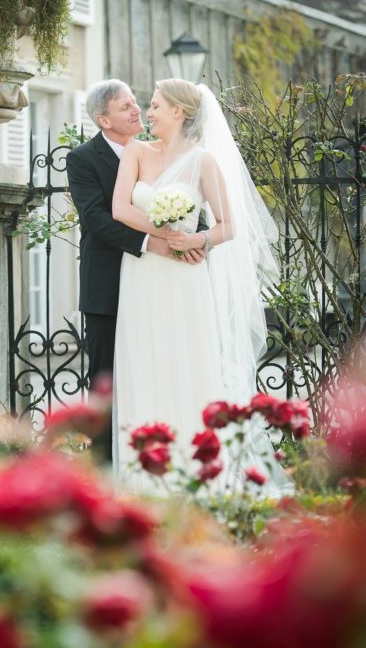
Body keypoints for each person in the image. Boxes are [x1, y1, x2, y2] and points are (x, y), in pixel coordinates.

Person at [111, 78, 288, 493]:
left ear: (179, 112)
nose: (147, 113)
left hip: (184, 279)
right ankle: (144, 478)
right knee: (142, 360)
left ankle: (196, 471)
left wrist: (197, 240)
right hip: (142, 274)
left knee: (186, 361)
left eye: (154, 106)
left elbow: (229, 226)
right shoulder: (136, 152)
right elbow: (120, 208)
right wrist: (164, 233)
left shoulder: (203, 161)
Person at [66, 79, 207, 458]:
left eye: (136, 103)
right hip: (108, 286)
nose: (137, 110)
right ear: (103, 120)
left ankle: (158, 454)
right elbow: (96, 219)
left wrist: (196, 239)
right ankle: (104, 468)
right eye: (125, 107)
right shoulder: (82, 159)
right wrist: (153, 243)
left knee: (156, 370)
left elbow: (193, 200)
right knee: (106, 381)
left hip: (159, 286)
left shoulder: (164, 151)